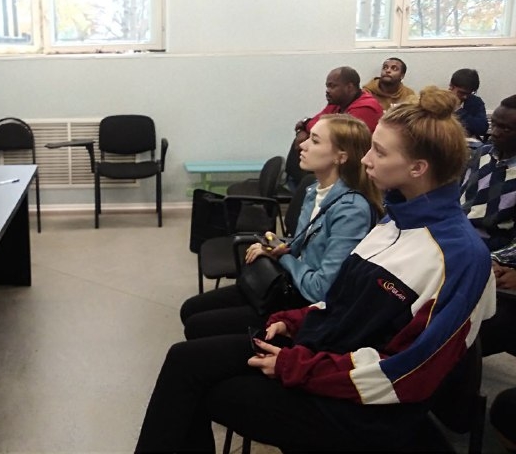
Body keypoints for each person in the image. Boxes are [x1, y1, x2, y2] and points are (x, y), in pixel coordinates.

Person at [135, 87, 495, 453]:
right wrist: (292, 322)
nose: (366, 160)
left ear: (418, 168)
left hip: (363, 408)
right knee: (185, 361)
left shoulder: (460, 258)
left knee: (207, 390)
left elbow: (407, 372)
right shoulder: (393, 223)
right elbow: (339, 303)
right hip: (324, 356)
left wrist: (296, 366)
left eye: (380, 151)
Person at [180, 115, 381, 339]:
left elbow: (321, 289)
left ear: (341, 156)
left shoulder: (351, 211)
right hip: (288, 283)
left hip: (302, 304)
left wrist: (281, 256)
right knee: (190, 309)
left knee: (198, 326)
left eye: (315, 141)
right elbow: (305, 245)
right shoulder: (314, 191)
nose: (302, 145)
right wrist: (274, 245)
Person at [461, 94, 516, 358]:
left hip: (491, 250)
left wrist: (494, 259)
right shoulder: (480, 155)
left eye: (505, 128)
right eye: (494, 124)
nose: (494, 132)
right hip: (458, 240)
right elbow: (455, 201)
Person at [285, 66, 383, 190]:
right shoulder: (337, 103)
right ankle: (298, 189)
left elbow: (336, 136)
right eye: (327, 86)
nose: (327, 91)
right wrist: (303, 129)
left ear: (349, 87)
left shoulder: (366, 107)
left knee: (307, 147)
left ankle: (301, 190)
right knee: (302, 144)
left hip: (353, 170)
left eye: (332, 86)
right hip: (336, 162)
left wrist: (305, 126)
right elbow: (316, 123)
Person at [449, 68, 488, 139]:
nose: (465, 97)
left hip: (470, 141)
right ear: (451, 86)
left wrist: (459, 111)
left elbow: (482, 128)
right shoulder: (439, 101)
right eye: (462, 92)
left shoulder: (475, 102)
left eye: (469, 93)